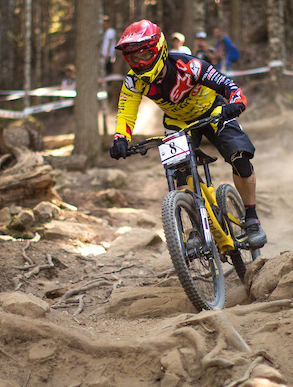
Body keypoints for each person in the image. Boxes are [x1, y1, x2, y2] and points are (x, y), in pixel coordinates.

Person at [109, 20, 267, 248]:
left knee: (240, 157)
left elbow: (227, 85)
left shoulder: (189, 65)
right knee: (178, 171)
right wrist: (120, 139)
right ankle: (196, 226)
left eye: (145, 55)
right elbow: (126, 113)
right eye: (134, 58)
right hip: (178, 122)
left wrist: (236, 102)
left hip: (213, 112)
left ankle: (251, 219)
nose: (141, 62)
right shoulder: (133, 82)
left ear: (160, 49)